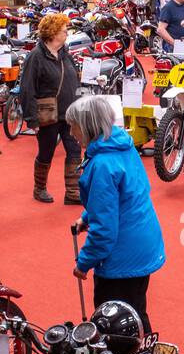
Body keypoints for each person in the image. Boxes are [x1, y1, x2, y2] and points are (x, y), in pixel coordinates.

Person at [67, 95, 165, 334]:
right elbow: (122, 196)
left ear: (88, 126)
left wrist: (83, 262)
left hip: (124, 254)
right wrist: (88, 216)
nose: (71, 132)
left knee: (113, 322)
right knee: (136, 311)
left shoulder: (101, 164)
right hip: (142, 242)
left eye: (74, 126)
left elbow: (104, 232)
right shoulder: (123, 145)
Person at [19, 12, 83, 205]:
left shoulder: (65, 54)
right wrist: (32, 119)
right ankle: (39, 188)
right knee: (46, 152)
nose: (66, 34)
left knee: (74, 151)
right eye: (64, 31)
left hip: (70, 113)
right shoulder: (35, 57)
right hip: (47, 114)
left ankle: (73, 192)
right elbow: (27, 89)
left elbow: (74, 80)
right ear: (53, 33)